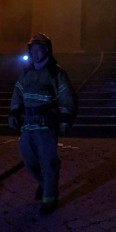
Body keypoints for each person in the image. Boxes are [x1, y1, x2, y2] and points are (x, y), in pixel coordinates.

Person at [8, 32, 78, 215]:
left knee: (49, 163)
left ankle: (50, 199)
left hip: (46, 126)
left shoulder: (57, 74)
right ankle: (44, 183)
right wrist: (14, 112)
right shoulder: (26, 73)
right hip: (28, 125)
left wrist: (65, 119)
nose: (36, 53)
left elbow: (66, 97)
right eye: (34, 50)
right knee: (29, 160)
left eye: (40, 49)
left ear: (47, 50)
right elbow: (17, 93)